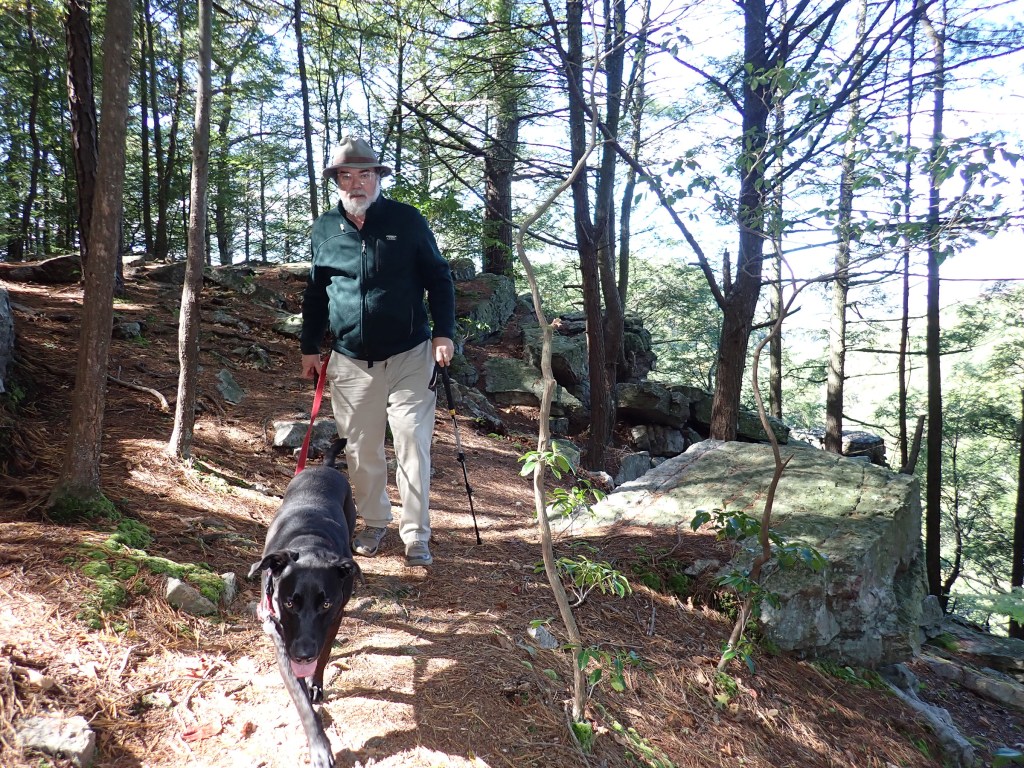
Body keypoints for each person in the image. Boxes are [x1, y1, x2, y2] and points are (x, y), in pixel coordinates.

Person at [300, 135, 455, 568]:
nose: (356, 183)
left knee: (410, 440)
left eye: (364, 174)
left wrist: (444, 333)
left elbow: (440, 278)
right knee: (360, 447)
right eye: (346, 175)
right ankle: (373, 521)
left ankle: (416, 534)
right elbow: (315, 293)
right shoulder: (324, 230)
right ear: (336, 181)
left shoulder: (407, 221)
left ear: (377, 177)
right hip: (350, 359)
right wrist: (310, 347)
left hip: (410, 353)